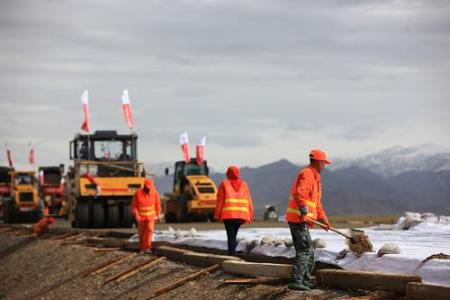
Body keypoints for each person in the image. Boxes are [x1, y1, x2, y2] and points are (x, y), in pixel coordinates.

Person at [285, 149, 331, 291]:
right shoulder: (307, 174)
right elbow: (300, 193)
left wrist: (323, 219)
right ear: (318, 162)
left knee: (308, 251)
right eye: (323, 162)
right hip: (298, 218)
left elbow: (317, 204)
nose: (324, 165)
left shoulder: (315, 177)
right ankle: (297, 280)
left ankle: (304, 280)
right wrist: (304, 211)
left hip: (303, 219)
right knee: (305, 250)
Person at [214, 166, 254, 256]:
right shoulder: (244, 184)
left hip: (229, 216)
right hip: (241, 215)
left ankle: (232, 254)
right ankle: (232, 252)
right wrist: (250, 215)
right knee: (233, 235)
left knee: (231, 235)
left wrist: (217, 215)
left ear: (228, 173)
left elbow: (220, 200)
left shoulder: (224, 184)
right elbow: (249, 201)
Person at [131, 178, 160, 254]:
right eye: (148, 188)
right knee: (142, 233)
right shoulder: (138, 193)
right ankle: (142, 248)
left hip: (151, 217)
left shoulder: (154, 193)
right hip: (141, 218)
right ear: (144, 186)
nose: (149, 189)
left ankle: (147, 248)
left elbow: (157, 204)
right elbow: (134, 206)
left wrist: (158, 214)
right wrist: (136, 215)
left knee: (149, 230)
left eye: (150, 188)